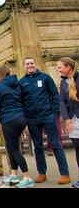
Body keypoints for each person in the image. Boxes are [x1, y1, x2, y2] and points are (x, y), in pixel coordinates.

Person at [19, 57, 70, 185]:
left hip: (48, 116)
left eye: (31, 63)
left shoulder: (45, 77)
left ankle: (65, 174)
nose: (30, 65)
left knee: (56, 144)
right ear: (24, 66)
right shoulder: (22, 82)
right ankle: (42, 172)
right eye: (27, 64)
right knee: (37, 147)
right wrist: (25, 115)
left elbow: (54, 95)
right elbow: (21, 101)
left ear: (35, 64)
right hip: (32, 118)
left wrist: (55, 113)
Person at [0, 65, 34, 188]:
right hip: (20, 118)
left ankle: (27, 177)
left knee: (14, 149)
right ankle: (14, 175)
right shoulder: (17, 84)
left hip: (9, 120)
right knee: (11, 147)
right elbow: (23, 100)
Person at [57, 57, 79, 188]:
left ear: (68, 68)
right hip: (74, 120)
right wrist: (66, 118)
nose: (58, 70)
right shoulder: (64, 82)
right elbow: (62, 101)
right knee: (77, 148)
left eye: (60, 67)